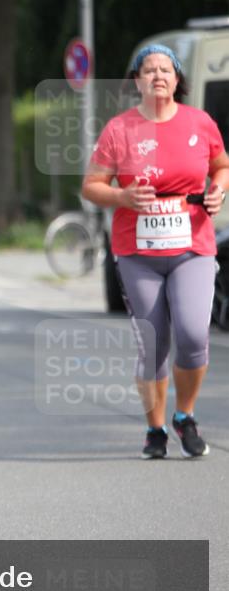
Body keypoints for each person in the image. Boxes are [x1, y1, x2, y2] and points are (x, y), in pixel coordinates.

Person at [82, 44, 229, 459]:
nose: (158, 76)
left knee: (193, 335)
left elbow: (221, 166)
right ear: (137, 80)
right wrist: (122, 197)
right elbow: (91, 186)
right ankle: (155, 428)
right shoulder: (120, 129)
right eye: (149, 70)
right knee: (153, 343)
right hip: (137, 251)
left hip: (192, 245)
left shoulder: (199, 122)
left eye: (166, 69)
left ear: (177, 79)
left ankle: (185, 416)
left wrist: (217, 190)